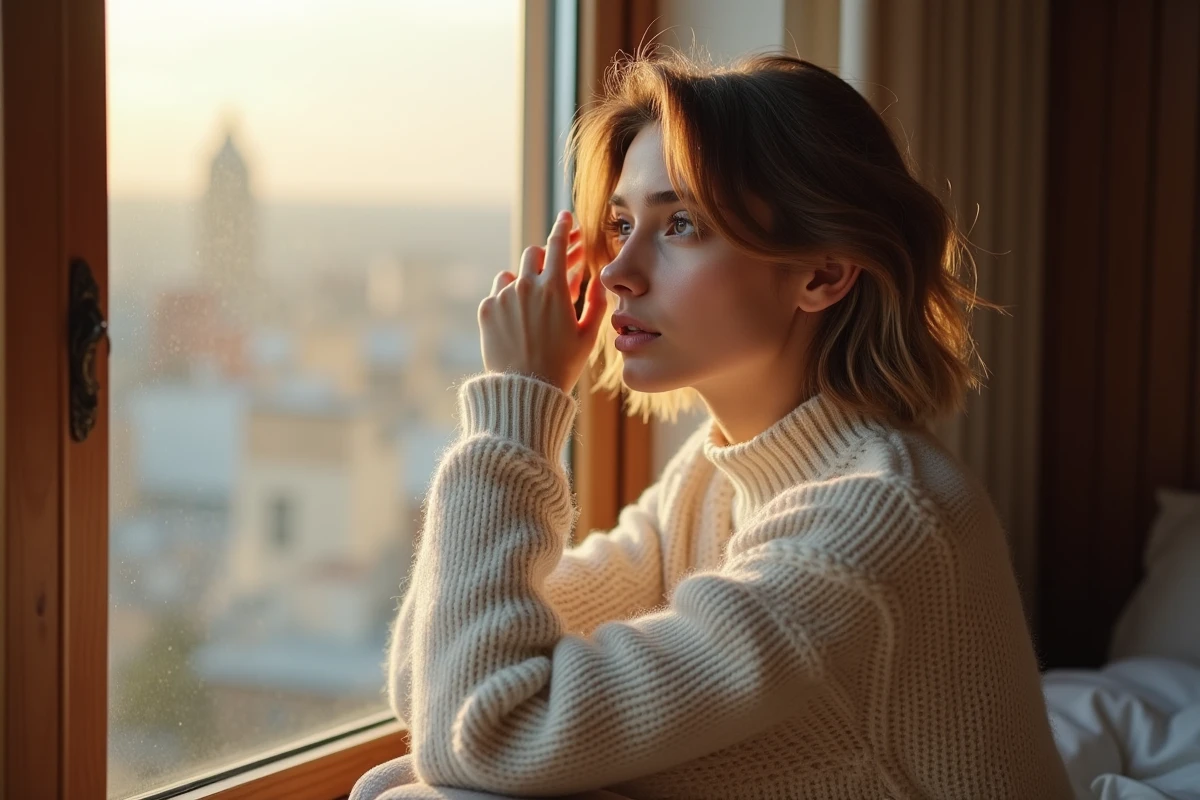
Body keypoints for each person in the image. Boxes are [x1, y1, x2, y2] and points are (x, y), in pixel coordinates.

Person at [350, 49, 1073, 800]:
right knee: (393, 787)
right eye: (622, 222)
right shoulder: (710, 476)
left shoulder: (876, 519)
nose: (616, 272)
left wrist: (516, 413)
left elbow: (483, 730)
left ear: (822, 274)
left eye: (683, 224)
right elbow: (434, 684)